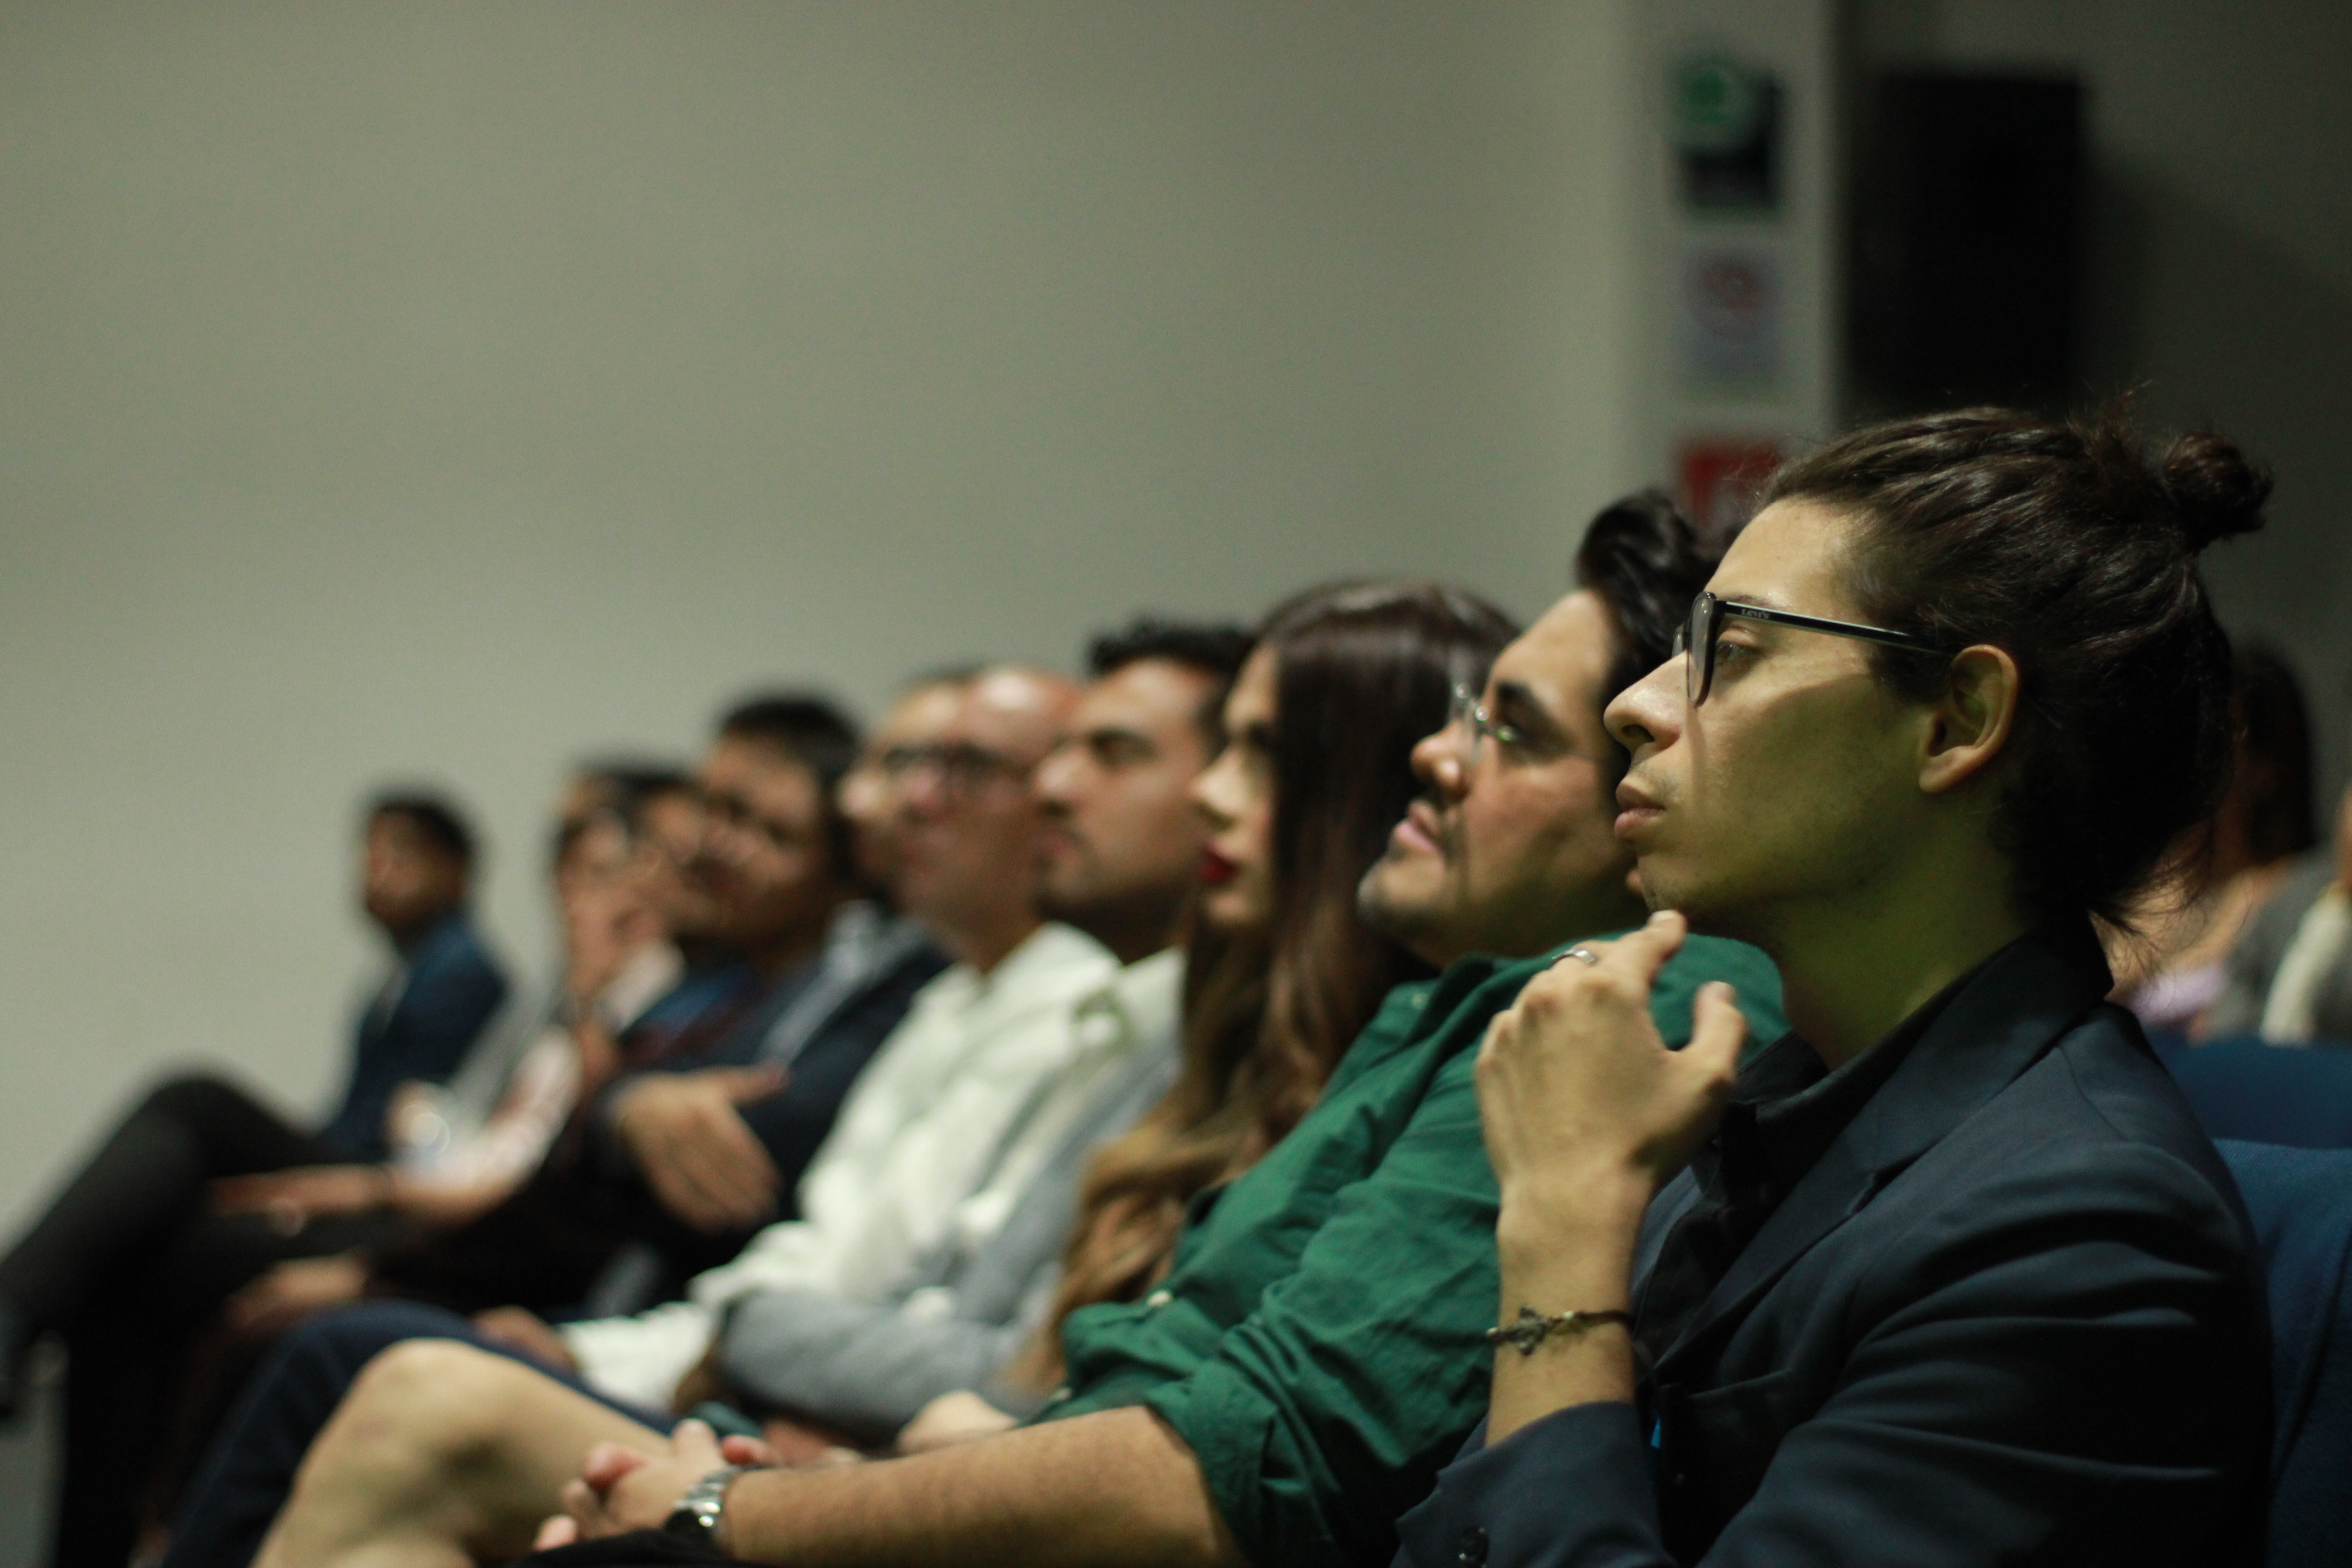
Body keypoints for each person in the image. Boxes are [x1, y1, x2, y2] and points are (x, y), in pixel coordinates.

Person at [216, 514, 1779, 1568]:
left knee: (416, 1389)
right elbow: (1115, 1377)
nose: (1034, 796)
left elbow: (1214, 1447)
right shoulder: (1425, 1012)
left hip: (1016, 1472)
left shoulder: (1596, 1001)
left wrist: (734, 1502)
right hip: (967, 1447)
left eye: (1507, 729)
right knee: (387, 1367)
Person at [1394, 409, 2270, 1568]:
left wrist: (1560, 1236)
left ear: (1953, 723)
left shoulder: (2088, 1236)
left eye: (1730, 647)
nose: (1637, 704)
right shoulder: (1759, 1114)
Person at [0, 789, 507, 1568]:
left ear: (458, 870)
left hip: (402, 1202)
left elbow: (415, 1142)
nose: (375, 874)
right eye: (369, 855)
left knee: (193, 1102)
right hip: (374, 1179)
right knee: (138, 1247)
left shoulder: (462, 972)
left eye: (400, 856)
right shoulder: (412, 973)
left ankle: (14, 1308)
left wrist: (305, 1181)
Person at [2114, 644, 2316, 1034]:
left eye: (2211, 741)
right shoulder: (2152, 880)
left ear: (2264, 770)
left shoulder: (2290, 894)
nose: (2182, 760)